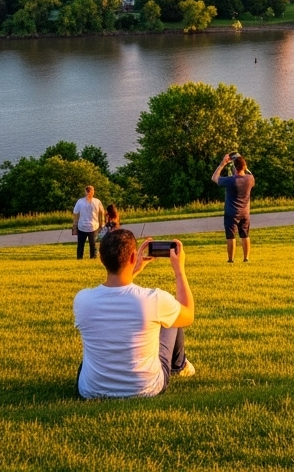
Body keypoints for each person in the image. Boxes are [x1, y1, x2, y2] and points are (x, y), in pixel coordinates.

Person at [74, 230, 195, 399]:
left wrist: (132, 270)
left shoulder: (82, 300)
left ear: (101, 259)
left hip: (91, 390)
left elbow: (117, 297)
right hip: (146, 387)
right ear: (133, 257)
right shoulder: (154, 299)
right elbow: (188, 315)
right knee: (172, 317)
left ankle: (180, 366)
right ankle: (179, 366)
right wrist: (179, 271)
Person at [211, 152, 255, 263]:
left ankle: (231, 260)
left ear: (234, 167)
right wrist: (241, 161)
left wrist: (223, 163)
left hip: (231, 212)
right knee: (245, 235)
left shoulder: (231, 181)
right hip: (245, 212)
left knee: (231, 237)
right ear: (244, 167)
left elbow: (214, 178)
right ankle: (246, 258)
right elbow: (249, 173)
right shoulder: (250, 179)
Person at [72, 185, 106, 261]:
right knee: (91, 245)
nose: (92, 193)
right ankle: (90, 258)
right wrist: (102, 224)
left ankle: (81, 258)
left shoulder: (82, 202)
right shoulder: (95, 201)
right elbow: (102, 213)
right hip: (86, 226)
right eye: (92, 191)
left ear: (85, 192)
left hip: (90, 226)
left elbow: (75, 214)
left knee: (84, 245)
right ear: (90, 192)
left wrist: (74, 226)